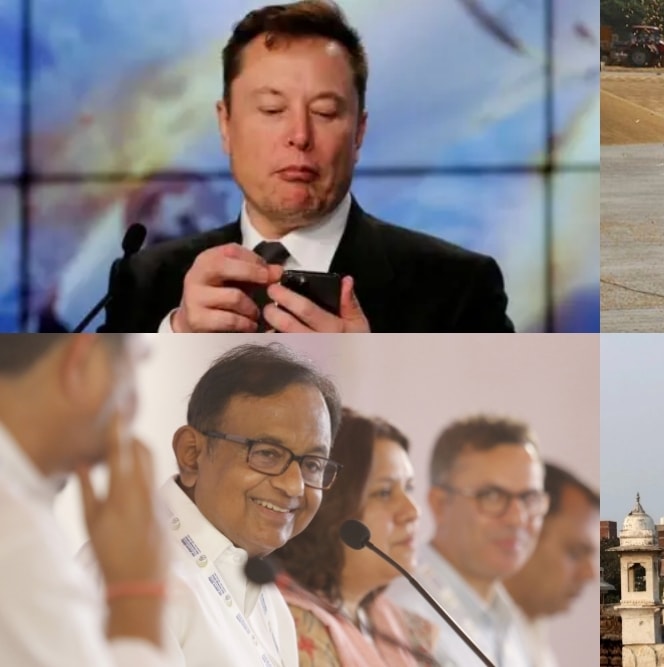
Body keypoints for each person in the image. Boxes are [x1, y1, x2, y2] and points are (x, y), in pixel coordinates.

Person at [100, 0, 514, 333]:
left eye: (325, 111)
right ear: (225, 125)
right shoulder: (147, 282)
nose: (299, 135)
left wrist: (374, 375)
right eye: (272, 108)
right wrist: (177, 342)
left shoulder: (458, 289)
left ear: (359, 133)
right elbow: (95, 432)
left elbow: (494, 433)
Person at [110, 342, 342, 666]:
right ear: (191, 454)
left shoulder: (269, 599)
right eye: (267, 454)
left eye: (313, 464)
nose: (294, 486)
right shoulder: (134, 576)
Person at [0, 334, 174, 665]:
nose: (134, 403)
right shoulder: (16, 539)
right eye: (133, 365)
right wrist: (137, 594)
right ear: (82, 364)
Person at [272, 408, 438, 667]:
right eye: (384, 493)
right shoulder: (287, 623)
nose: (412, 511)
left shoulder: (405, 628)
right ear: (329, 508)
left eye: (408, 488)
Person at [388, 415, 547, 667]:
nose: (517, 519)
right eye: (492, 496)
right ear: (440, 504)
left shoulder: (509, 619)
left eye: (530, 498)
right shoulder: (402, 613)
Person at [503, 463, 600, 667]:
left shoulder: (531, 630)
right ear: (525, 535)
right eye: (575, 552)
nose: (590, 574)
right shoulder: (450, 628)